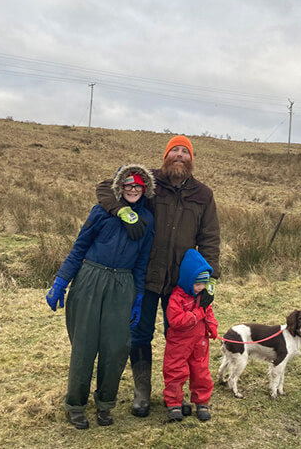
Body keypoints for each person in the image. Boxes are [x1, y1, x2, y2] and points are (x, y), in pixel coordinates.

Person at [96, 135, 220, 417]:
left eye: (185, 151)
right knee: (140, 333)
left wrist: (211, 279)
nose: (179, 155)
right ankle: (142, 392)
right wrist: (122, 211)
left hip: (183, 284)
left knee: (180, 338)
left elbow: (210, 239)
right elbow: (105, 187)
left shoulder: (203, 195)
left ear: (191, 159)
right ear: (166, 156)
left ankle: (174, 394)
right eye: (174, 150)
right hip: (145, 277)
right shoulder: (148, 181)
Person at [46, 164, 155, 430]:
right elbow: (79, 247)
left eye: (138, 186)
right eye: (128, 185)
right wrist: (61, 281)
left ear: (145, 189)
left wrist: (138, 296)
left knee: (115, 348)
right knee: (84, 346)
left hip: (123, 284)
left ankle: (105, 405)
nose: (132, 189)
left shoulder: (147, 220)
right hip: (90, 279)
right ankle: (75, 405)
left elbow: (142, 261)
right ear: (120, 186)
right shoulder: (101, 212)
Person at [163, 248, 218, 422]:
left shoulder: (203, 297)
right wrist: (198, 313)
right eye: (197, 284)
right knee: (175, 371)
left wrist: (212, 326)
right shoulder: (176, 298)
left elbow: (209, 312)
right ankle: (174, 402)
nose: (201, 288)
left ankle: (202, 402)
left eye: (203, 284)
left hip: (199, 342)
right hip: (179, 343)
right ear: (187, 280)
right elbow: (176, 320)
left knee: (201, 372)